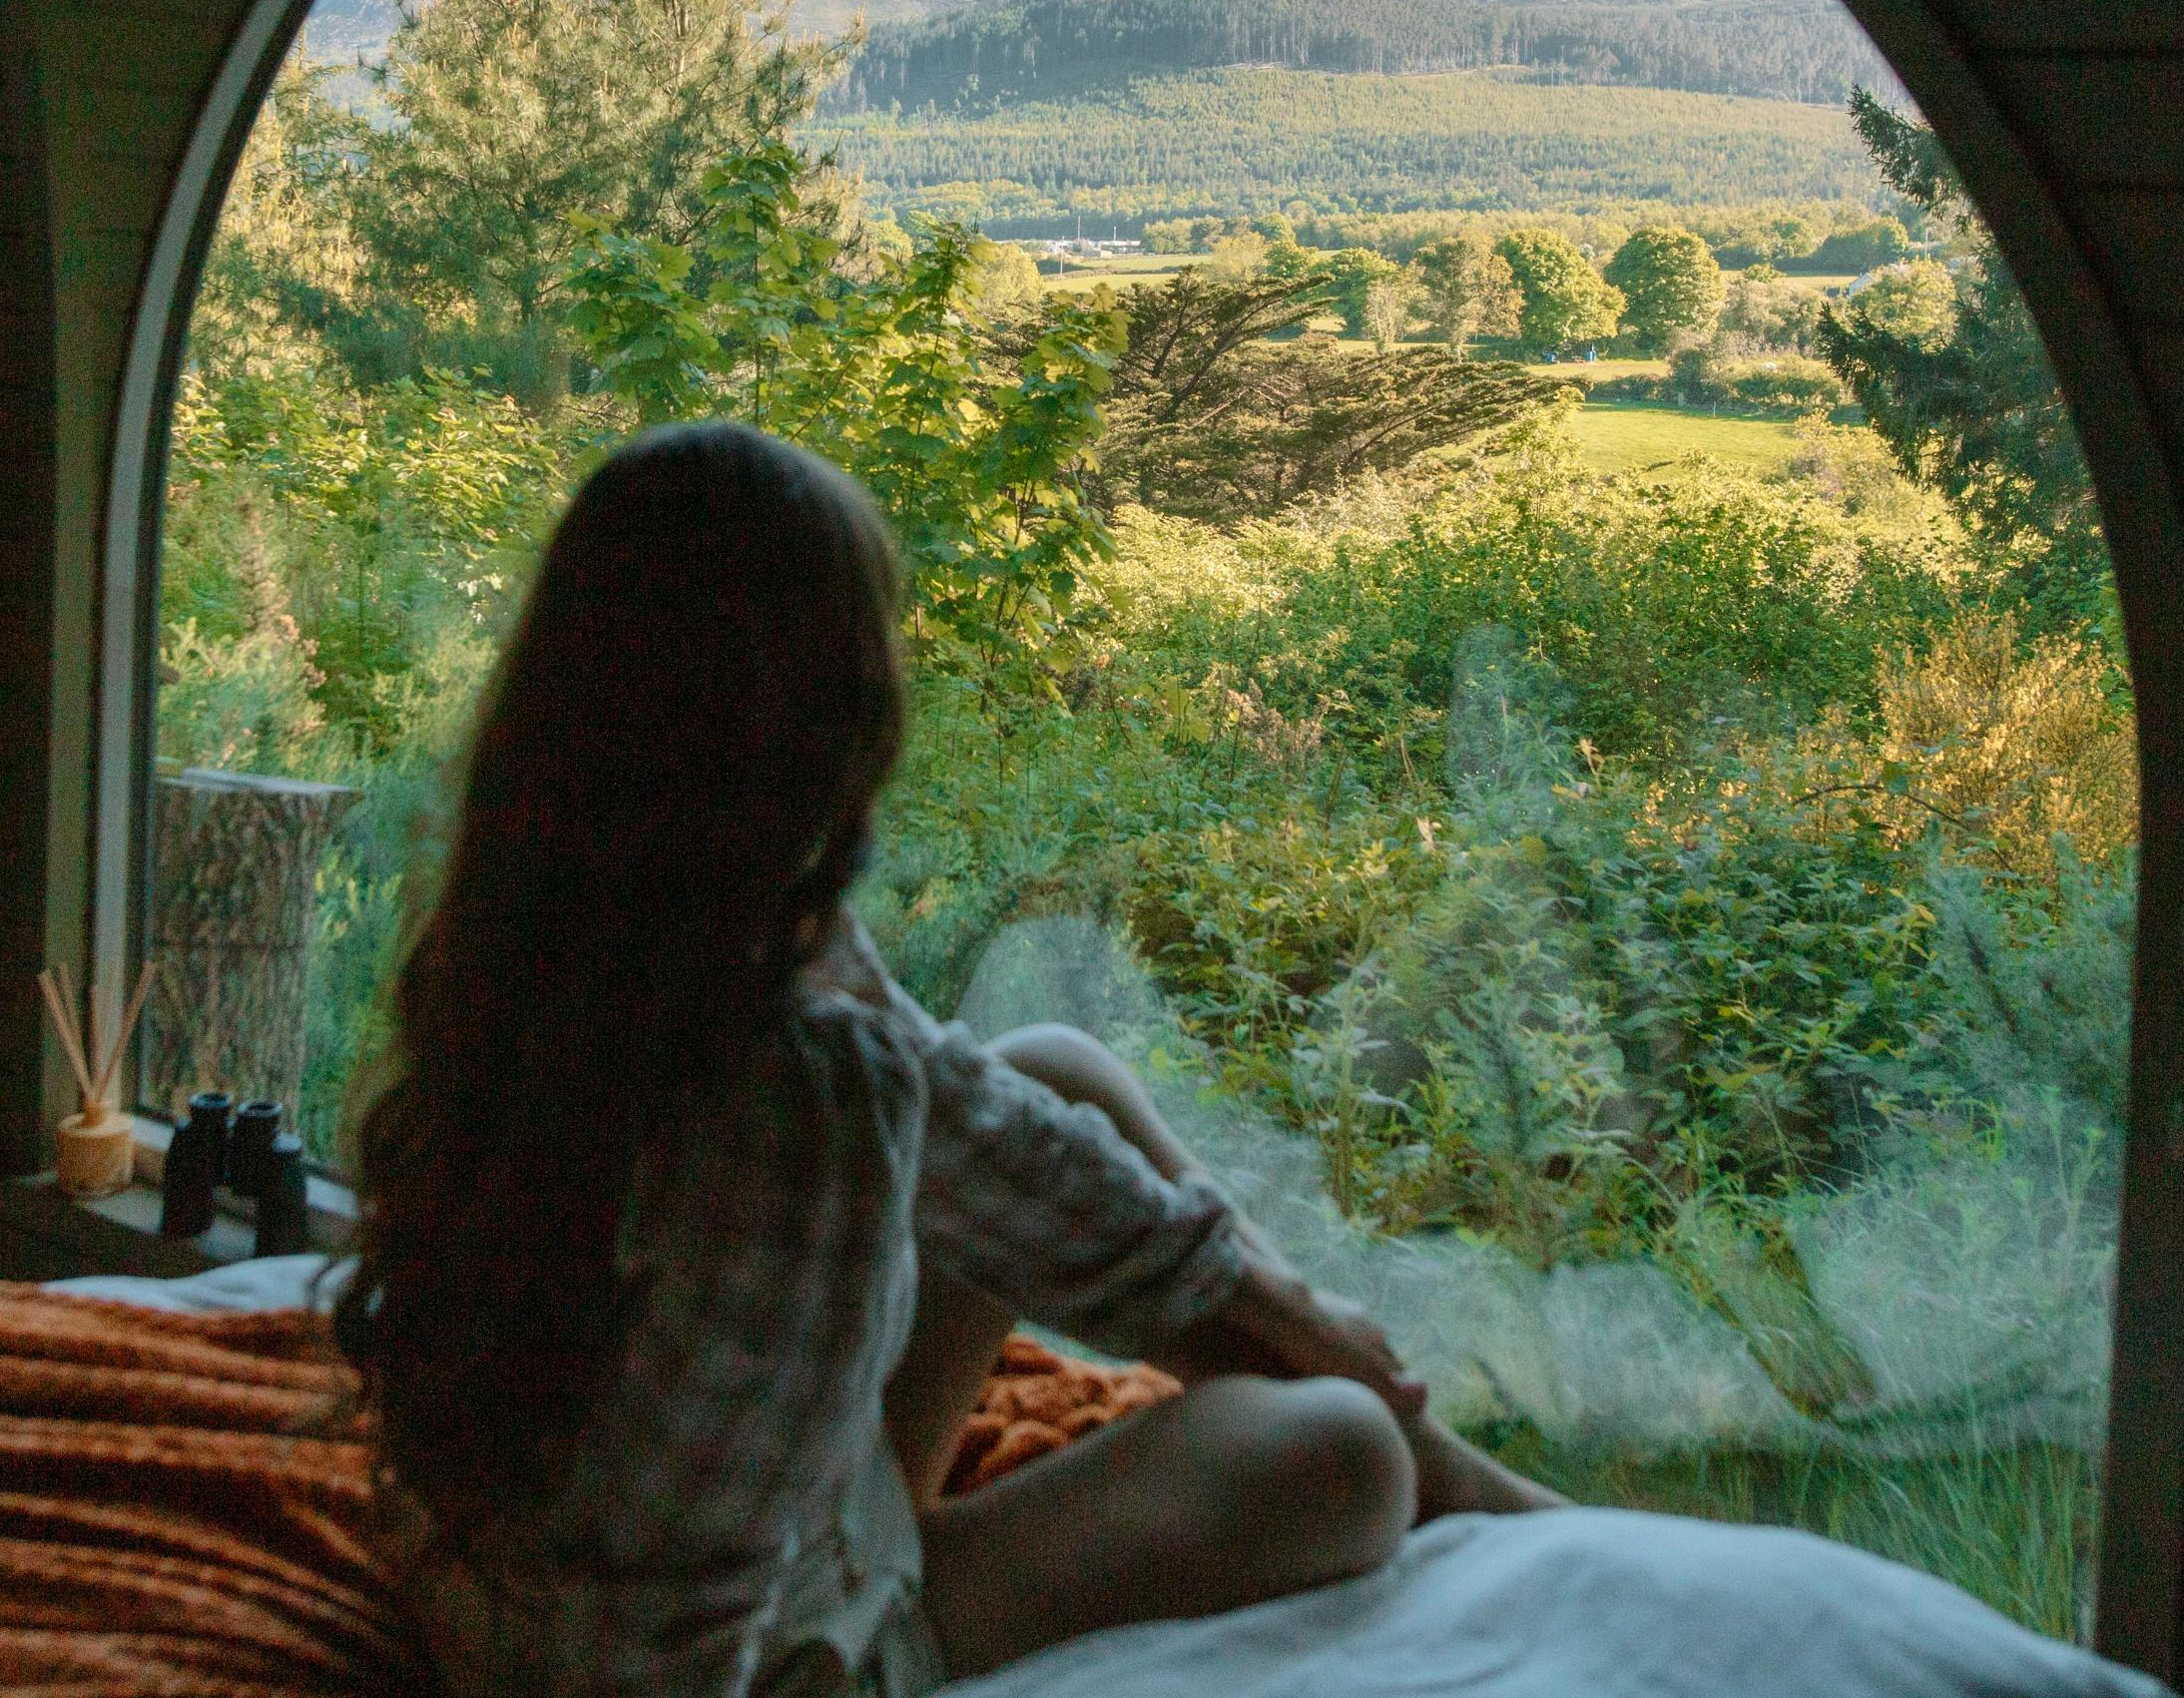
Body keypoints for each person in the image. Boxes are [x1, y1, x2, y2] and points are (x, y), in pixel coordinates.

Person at [335, 422, 1559, 1698]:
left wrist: (1284, 1305)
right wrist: (1317, 1345)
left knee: (1052, 1066)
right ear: (831, 710)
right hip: (727, 1665)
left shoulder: (563, 919)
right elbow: (687, 1606)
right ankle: (1450, 1474)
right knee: (1350, 1455)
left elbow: (999, 1125)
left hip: (507, 1587)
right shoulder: (804, 1077)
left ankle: (1458, 1469)